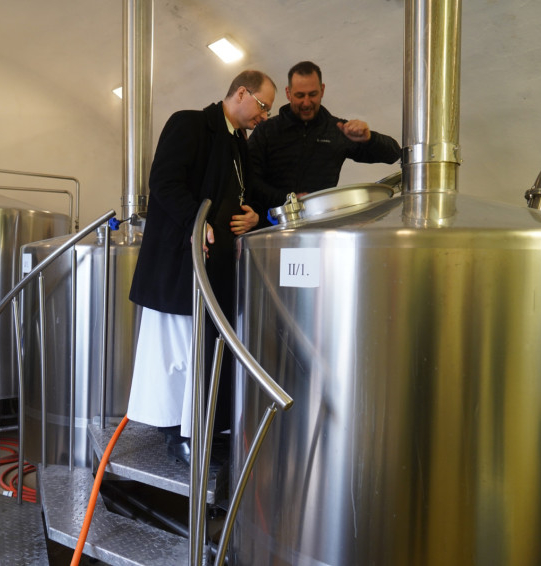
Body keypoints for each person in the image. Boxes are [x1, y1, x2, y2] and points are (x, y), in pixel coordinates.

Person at [126, 70, 277, 465]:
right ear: (241, 92)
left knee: (206, 350)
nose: (264, 116)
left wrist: (255, 215)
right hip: (180, 264)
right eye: (263, 106)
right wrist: (199, 221)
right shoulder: (190, 123)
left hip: (216, 271)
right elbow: (163, 182)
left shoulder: (238, 142)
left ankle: (203, 427)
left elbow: (242, 193)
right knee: (177, 351)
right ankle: (176, 433)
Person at [248, 61, 401, 208]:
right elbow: (249, 179)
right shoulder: (266, 131)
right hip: (271, 221)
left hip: (320, 222)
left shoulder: (338, 130)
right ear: (288, 93)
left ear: (322, 90)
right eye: (300, 95)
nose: (306, 102)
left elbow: (393, 154)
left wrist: (369, 139)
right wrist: (289, 200)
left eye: (313, 94)